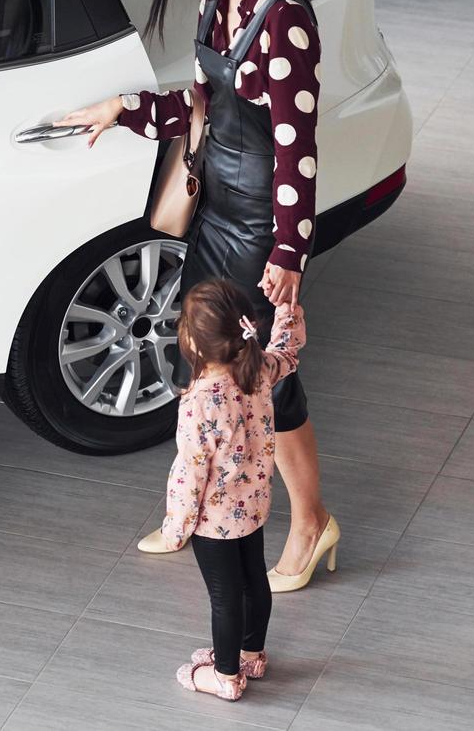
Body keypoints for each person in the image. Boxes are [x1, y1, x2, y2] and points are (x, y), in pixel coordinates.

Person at [58, 0, 337, 592]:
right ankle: (194, 506)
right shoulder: (218, 3)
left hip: (257, 226)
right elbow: (200, 109)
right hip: (215, 210)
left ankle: (308, 524)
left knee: (260, 381)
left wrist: (287, 254)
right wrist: (124, 109)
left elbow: (295, 147)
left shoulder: (284, 20)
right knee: (201, 360)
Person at [163, 280, 306, 700]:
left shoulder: (199, 404)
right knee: (253, 584)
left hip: (215, 521)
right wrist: (287, 312)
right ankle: (252, 654)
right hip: (255, 505)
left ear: (193, 342)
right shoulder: (257, 368)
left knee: (224, 598)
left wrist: (176, 529)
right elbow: (287, 352)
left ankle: (225, 676)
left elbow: (190, 476)